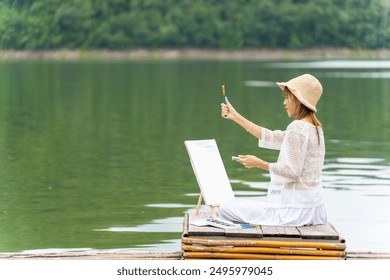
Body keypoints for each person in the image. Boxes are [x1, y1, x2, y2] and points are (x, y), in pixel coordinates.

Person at [219, 73, 326, 226]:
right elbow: (271, 137)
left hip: (294, 212)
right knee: (236, 207)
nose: (284, 102)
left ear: (297, 99)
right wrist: (235, 116)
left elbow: (292, 172)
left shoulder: (297, 128)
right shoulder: (315, 128)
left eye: (287, 97)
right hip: (314, 210)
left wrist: (259, 163)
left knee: (225, 208)